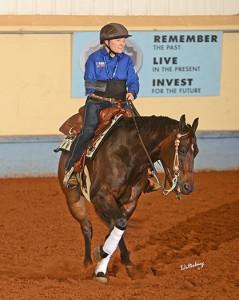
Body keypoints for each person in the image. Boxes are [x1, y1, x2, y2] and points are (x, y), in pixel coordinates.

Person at [63, 23, 160, 192]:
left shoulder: (126, 60)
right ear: (106, 42)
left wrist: (132, 91)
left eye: (123, 41)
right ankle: (71, 169)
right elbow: (90, 82)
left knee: (139, 132)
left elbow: (133, 80)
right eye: (119, 40)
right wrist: (110, 88)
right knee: (87, 132)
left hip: (121, 103)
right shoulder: (94, 58)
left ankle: (150, 174)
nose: (122, 44)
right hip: (97, 103)